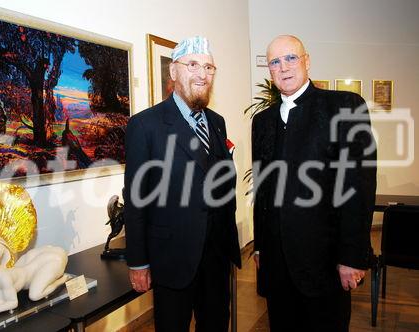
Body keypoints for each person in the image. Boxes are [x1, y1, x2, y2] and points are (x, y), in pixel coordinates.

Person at [251, 35, 376, 331]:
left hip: (326, 266)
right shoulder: (262, 121)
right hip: (277, 267)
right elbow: (263, 190)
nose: (284, 67)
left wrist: (352, 257)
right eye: (275, 62)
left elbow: (358, 187)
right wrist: (260, 247)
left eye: (291, 58)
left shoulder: (345, 106)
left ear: (307, 60)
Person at [124, 36, 241, 332]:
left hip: (216, 258)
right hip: (172, 259)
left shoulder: (216, 122)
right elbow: (136, 198)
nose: (202, 74)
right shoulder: (145, 125)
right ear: (173, 72)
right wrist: (138, 262)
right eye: (193, 65)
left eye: (209, 67)